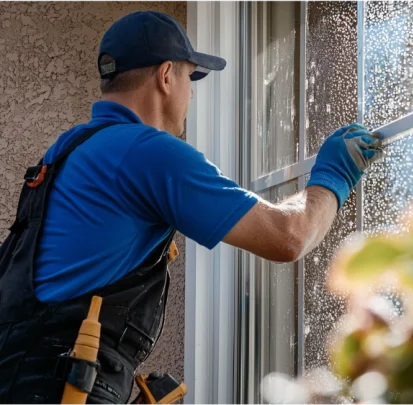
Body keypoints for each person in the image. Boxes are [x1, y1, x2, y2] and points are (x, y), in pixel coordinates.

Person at [0, 10, 383, 404]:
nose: (192, 93)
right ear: (166, 76)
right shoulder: (147, 153)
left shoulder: (69, 150)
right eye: (189, 77)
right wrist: (331, 178)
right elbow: (288, 236)